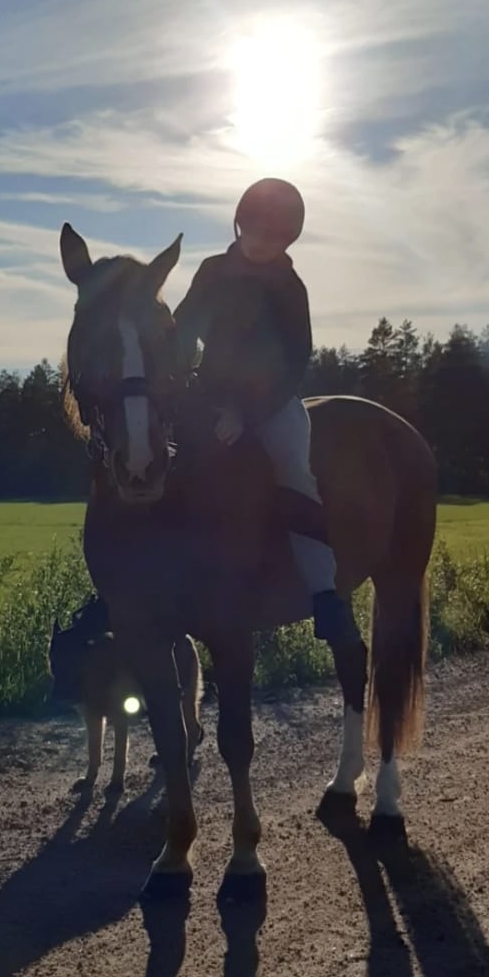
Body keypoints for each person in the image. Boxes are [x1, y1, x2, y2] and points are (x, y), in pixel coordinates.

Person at [172, 176, 360, 645]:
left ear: (287, 239)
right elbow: (182, 329)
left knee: (295, 472)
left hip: (271, 403)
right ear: (240, 224)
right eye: (255, 229)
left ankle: (324, 595)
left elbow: (297, 360)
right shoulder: (212, 271)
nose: (261, 241)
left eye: (274, 235)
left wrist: (247, 415)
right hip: (209, 394)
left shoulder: (290, 287)